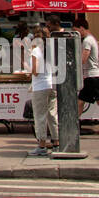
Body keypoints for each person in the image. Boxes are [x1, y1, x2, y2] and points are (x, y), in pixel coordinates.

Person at [28, 25, 58, 156]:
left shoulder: (36, 51)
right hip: (51, 84)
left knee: (40, 116)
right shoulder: (51, 50)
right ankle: (56, 142)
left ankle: (42, 145)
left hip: (40, 86)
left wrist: (29, 71)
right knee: (52, 114)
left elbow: (35, 71)